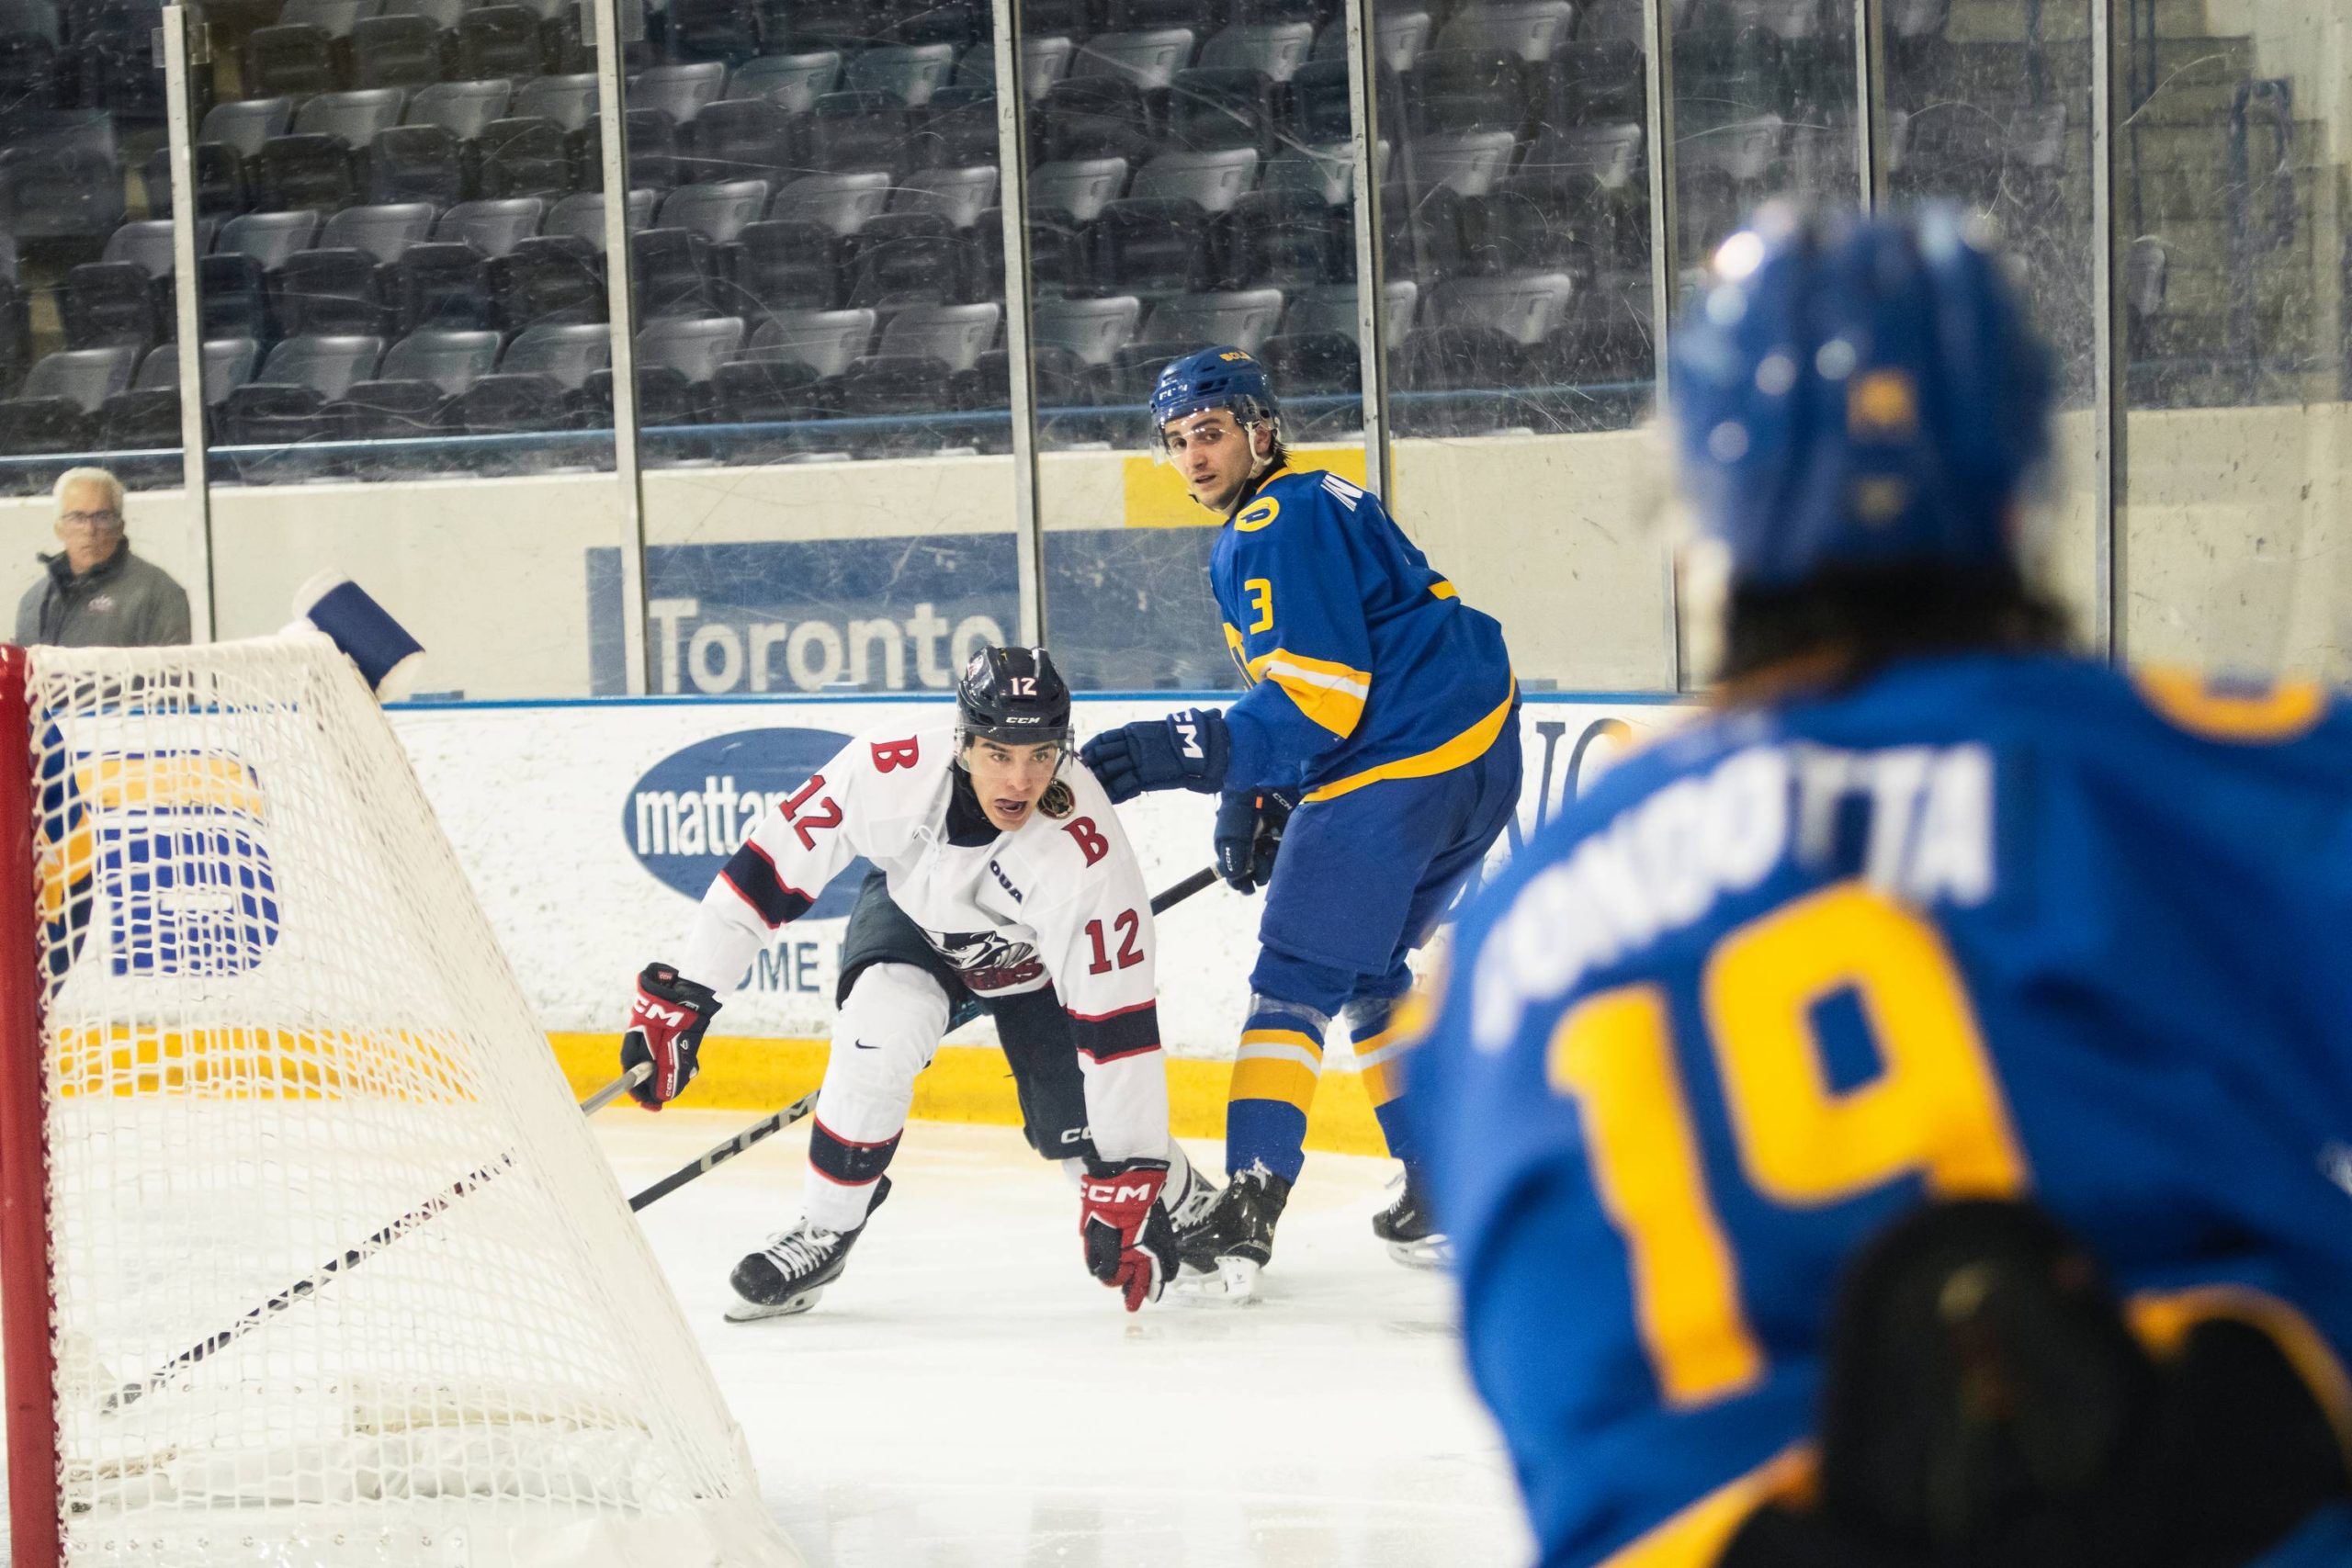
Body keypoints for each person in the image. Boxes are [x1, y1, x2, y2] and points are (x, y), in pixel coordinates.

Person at [1408, 204, 2352, 1568]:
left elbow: (1550, 1398)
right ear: (2022, 489)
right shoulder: (2182, 773)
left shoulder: (1507, 938)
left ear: (1702, 521)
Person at [1080, 348, 1521, 1302]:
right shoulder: (1322, 499)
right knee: (1367, 972)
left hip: (1401, 762)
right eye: (1177, 442)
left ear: (1259, 430)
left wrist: (1179, 754)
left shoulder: (1272, 520)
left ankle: (1250, 1202)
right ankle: (1440, 1175)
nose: (1194, 457)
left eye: (1209, 433)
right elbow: (1328, 677)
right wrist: (1261, 791)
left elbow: (1322, 697)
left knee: (1292, 980)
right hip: (1477, 753)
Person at [621, 646, 1214, 1320]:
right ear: (962, 741)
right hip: (915, 917)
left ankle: (1187, 1196)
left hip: (1036, 968)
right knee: (877, 1029)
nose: (1021, 779)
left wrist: (1128, 1175)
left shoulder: (1087, 858)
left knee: (1080, 1141)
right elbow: (770, 866)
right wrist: (691, 994)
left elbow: (1120, 1033)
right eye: (999, 752)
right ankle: (827, 1226)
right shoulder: (888, 768)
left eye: (1041, 753)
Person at [15, 468, 191, 648]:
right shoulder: (34, 601)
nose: (89, 530)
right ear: (59, 528)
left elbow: (175, 672)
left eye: (102, 517)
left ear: (120, 527)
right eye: (77, 517)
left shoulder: (159, 593)